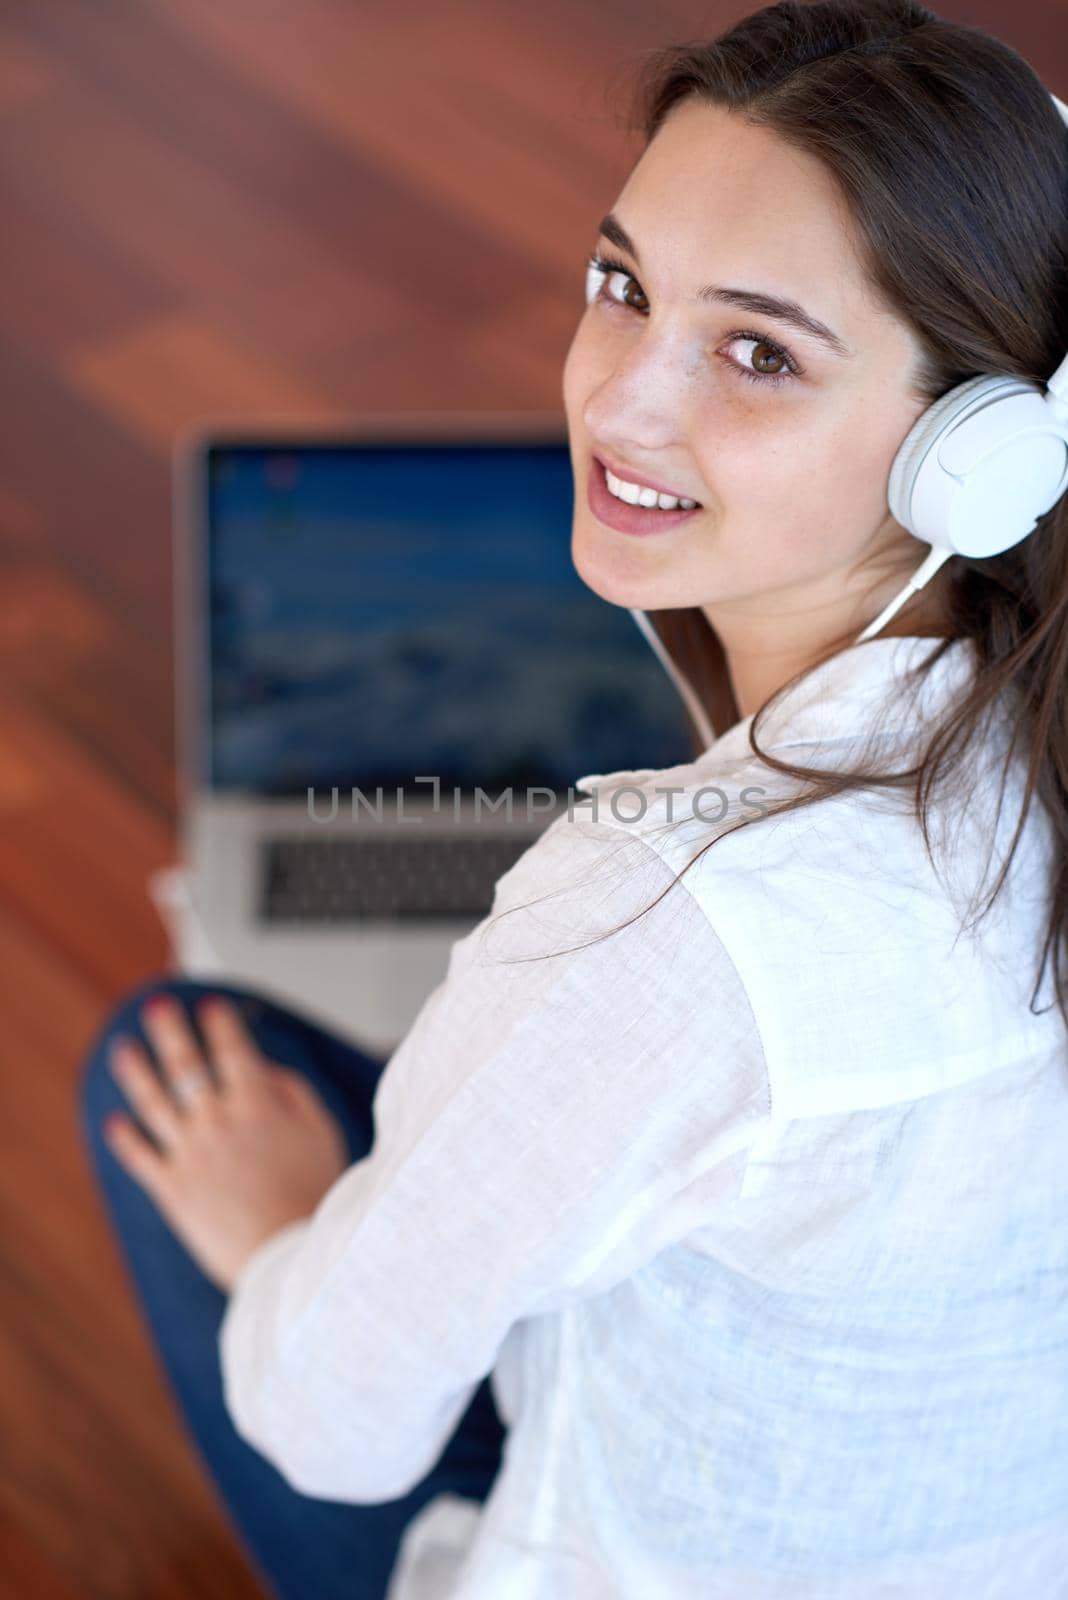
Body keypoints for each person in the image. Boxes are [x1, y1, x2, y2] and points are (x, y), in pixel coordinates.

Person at [78, 1, 1068, 1595]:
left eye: (760, 351)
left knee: (161, 1064)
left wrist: (274, 1235)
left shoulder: (665, 917)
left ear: (984, 457)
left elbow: (336, 1429)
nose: (617, 406)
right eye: (624, 284)